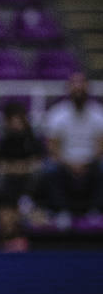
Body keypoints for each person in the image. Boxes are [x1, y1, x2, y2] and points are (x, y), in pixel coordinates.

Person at [41, 72, 103, 218]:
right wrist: (70, 164)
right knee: (50, 168)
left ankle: (95, 211)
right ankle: (62, 211)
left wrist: (85, 164)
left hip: (91, 162)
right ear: (68, 88)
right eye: (75, 85)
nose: (78, 88)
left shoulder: (98, 114)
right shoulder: (57, 114)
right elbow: (52, 148)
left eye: (82, 84)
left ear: (88, 88)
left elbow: (101, 147)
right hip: (64, 162)